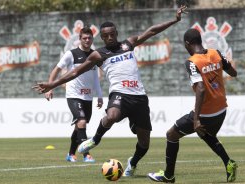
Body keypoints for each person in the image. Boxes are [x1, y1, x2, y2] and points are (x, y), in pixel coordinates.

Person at [33, 5, 188, 176]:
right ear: (102, 37)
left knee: (144, 143)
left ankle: (133, 163)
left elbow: (151, 31)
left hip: (139, 97)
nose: (109, 37)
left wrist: (175, 19)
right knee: (112, 115)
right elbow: (76, 71)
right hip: (119, 94)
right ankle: (95, 139)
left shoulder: (128, 44)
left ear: (116, 33)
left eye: (112, 34)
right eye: (105, 35)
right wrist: (52, 84)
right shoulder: (98, 54)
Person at [148, 28, 238, 183]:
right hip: (221, 110)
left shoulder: (192, 62)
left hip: (206, 114)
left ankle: (168, 175)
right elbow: (233, 73)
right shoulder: (216, 53)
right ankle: (228, 163)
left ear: (187, 44)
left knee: (171, 134)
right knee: (205, 134)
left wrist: (196, 120)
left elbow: (201, 89)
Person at [44, 26, 103, 163]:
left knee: (79, 126)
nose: (87, 40)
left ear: (92, 38)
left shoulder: (95, 55)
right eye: (84, 38)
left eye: (89, 38)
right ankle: (86, 154)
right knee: (81, 121)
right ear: (80, 39)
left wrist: (99, 96)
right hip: (73, 95)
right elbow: (56, 69)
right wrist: (49, 87)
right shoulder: (71, 54)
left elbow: (95, 77)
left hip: (88, 97)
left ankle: (71, 154)